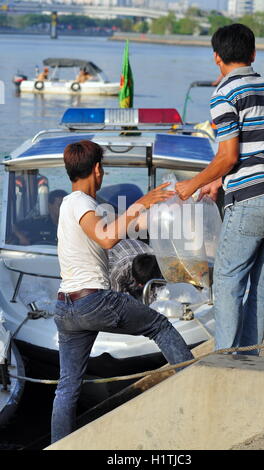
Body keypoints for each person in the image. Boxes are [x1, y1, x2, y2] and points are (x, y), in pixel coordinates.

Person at [51, 140, 194, 443]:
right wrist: (140, 203)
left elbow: (119, 228)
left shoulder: (68, 204)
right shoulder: (82, 203)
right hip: (93, 301)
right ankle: (196, 384)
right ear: (98, 169)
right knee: (159, 325)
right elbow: (106, 239)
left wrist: (159, 207)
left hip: (65, 308)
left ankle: (59, 446)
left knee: (67, 386)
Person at [175, 23, 264, 355]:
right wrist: (218, 179)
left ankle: (225, 356)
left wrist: (193, 184)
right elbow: (258, 149)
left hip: (252, 199)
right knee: (262, 280)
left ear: (216, 57)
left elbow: (227, 155)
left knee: (228, 279)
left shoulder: (224, 94)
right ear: (253, 53)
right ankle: (248, 353)